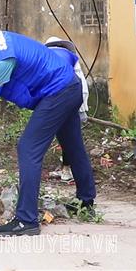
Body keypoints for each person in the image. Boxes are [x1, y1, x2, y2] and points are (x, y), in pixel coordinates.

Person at [0, 23, 96, 236]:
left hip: (57, 92)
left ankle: (26, 220)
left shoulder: (1, 62)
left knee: (28, 148)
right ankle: (85, 201)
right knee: (72, 145)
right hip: (68, 86)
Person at [45, 36, 90, 183]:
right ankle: (70, 170)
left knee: (69, 140)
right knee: (70, 139)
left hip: (64, 103)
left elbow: (79, 83)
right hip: (69, 101)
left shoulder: (57, 59)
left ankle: (67, 168)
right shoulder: (68, 58)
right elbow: (81, 83)